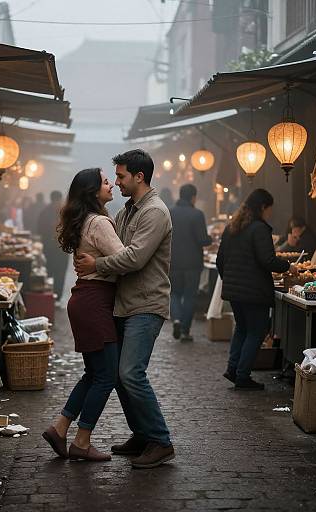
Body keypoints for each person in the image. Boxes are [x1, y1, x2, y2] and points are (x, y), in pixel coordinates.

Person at [75, 149, 174, 469]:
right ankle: (143, 434)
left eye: (120, 176)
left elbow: (134, 258)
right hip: (125, 304)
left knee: (131, 372)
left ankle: (160, 441)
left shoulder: (154, 212)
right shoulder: (128, 210)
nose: (116, 183)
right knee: (118, 374)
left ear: (139, 177)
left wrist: (96, 263)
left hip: (146, 303)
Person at [42, 168, 124, 462]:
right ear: (93, 192)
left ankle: (59, 428)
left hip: (85, 300)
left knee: (94, 373)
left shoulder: (84, 220)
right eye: (105, 182)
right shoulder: (99, 222)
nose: (111, 184)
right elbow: (124, 260)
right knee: (107, 377)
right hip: (95, 301)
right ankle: (82, 440)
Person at [216, 189, 298, 390]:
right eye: (270, 209)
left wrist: (230, 280)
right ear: (263, 207)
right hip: (254, 292)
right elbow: (267, 260)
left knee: (242, 329)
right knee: (256, 332)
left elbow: (220, 260)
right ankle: (243, 376)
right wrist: (289, 266)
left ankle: (233, 369)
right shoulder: (259, 229)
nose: (270, 213)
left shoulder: (232, 227)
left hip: (235, 291)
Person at [169, 184, 212, 341]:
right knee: (189, 296)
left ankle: (177, 320)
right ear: (193, 197)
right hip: (193, 264)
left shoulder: (170, 212)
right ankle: (185, 331)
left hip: (173, 262)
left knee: (174, 293)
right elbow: (202, 239)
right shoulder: (197, 214)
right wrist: (211, 239)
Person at [38, 191, 69, 301]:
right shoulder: (65, 212)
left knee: (51, 271)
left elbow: (39, 230)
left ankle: (50, 296)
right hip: (60, 248)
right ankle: (54, 296)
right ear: (59, 199)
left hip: (52, 248)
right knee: (58, 272)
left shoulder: (45, 212)